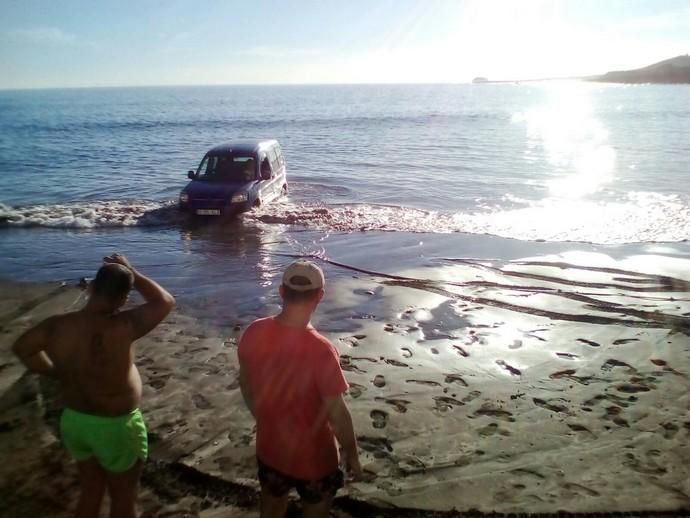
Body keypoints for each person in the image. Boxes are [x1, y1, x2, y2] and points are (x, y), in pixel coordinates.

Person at [12, 253, 175, 518]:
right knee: (123, 501)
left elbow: (23, 349)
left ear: (91, 288)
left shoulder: (56, 327)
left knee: (91, 492)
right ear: (124, 299)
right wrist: (132, 270)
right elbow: (164, 301)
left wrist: (56, 373)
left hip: (75, 422)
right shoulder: (124, 325)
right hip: (115, 427)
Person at [238, 259, 362, 518]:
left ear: (282, 291)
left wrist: (262, 418)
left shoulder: (253, 332)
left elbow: (247, 385)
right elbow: (337, 413)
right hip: (316, 461)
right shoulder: (321, 350)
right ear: (320, 297)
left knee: (271, 507)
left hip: (271, 450)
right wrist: (352, 453)